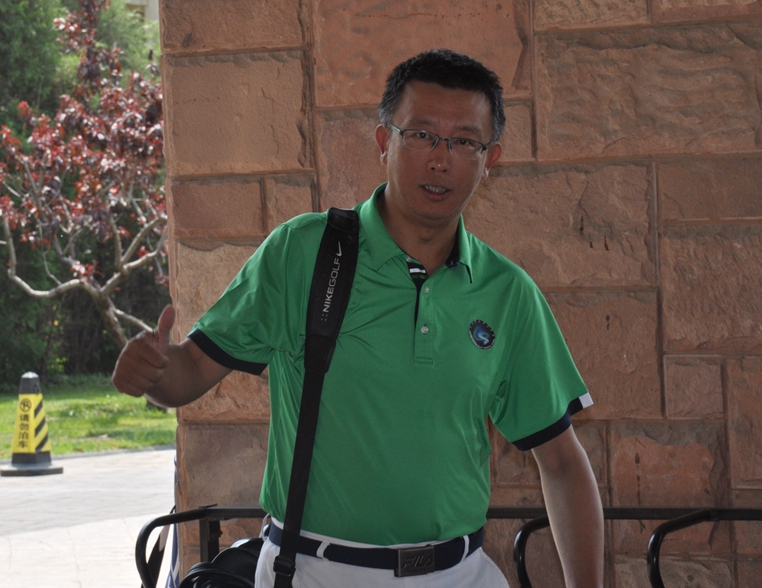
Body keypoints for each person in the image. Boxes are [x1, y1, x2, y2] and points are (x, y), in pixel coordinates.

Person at [113, 49, 604, 587]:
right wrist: (155, 374)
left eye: (465, 141)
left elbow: (562, 462)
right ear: (383, 142)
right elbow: (189, 372)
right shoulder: (304, 253)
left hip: (461, 574)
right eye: (421, 135)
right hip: (315, 571)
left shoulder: (507, 292)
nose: (441, 159)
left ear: (490, 160)